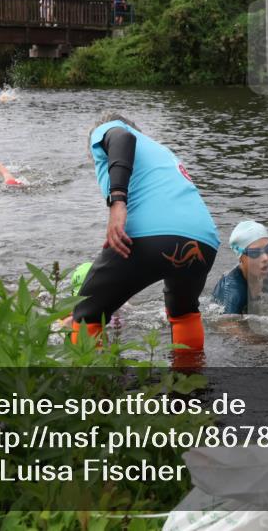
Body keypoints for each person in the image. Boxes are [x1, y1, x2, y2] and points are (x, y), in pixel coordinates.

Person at [73, 111, 220, 362]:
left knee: (86, 312)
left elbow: (121, 137)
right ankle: (188, 391)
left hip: (151, 236)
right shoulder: (162, 153)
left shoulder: (112, 130)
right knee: (184, 312)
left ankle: (92, 393)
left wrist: (117, 201)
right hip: (204, 240)